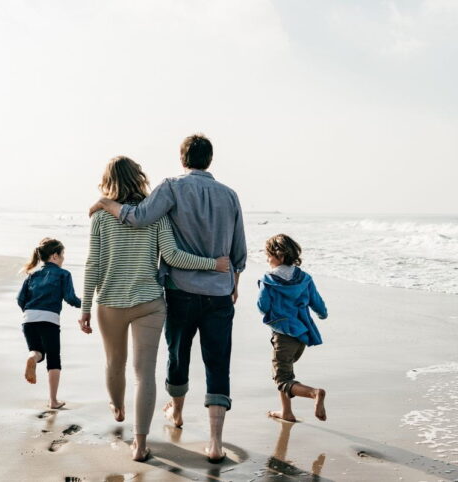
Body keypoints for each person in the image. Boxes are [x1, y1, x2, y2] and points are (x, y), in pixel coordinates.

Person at [90, 133, 246, 464]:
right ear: (210, 159)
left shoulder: (171, 188)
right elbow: (238, 251)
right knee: (218, 362)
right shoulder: (230, 195)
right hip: (218, 292)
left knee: (177, 355)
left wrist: (105, 203)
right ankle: (215, 443)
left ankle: (175, 411)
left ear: (182, 158)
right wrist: (234, 281)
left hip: (181, 291)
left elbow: (138, 218)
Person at [256, 234, 328, 423]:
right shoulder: (304, 278)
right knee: (285, 371)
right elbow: (317, 303)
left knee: (282, 378)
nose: (267, 259)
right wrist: (322, 314)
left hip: (283, 335)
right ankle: (286, 412)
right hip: (302, 333)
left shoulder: (268, 280)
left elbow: (262, 306)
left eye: (268, 255)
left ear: (279, 256)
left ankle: (314, 393)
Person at [17, 238, 81, 409]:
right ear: (54, 256)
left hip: (28, 319)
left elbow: (20, 299)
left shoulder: (32, 275)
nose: (63, 258)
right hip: (49, 320)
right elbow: (70, 298)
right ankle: (53, 401)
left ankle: (32, 358)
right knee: (53, 359)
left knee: (37, 352)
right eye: (62, 255)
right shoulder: (63, 274)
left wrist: (30, 312)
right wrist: (84, 304)